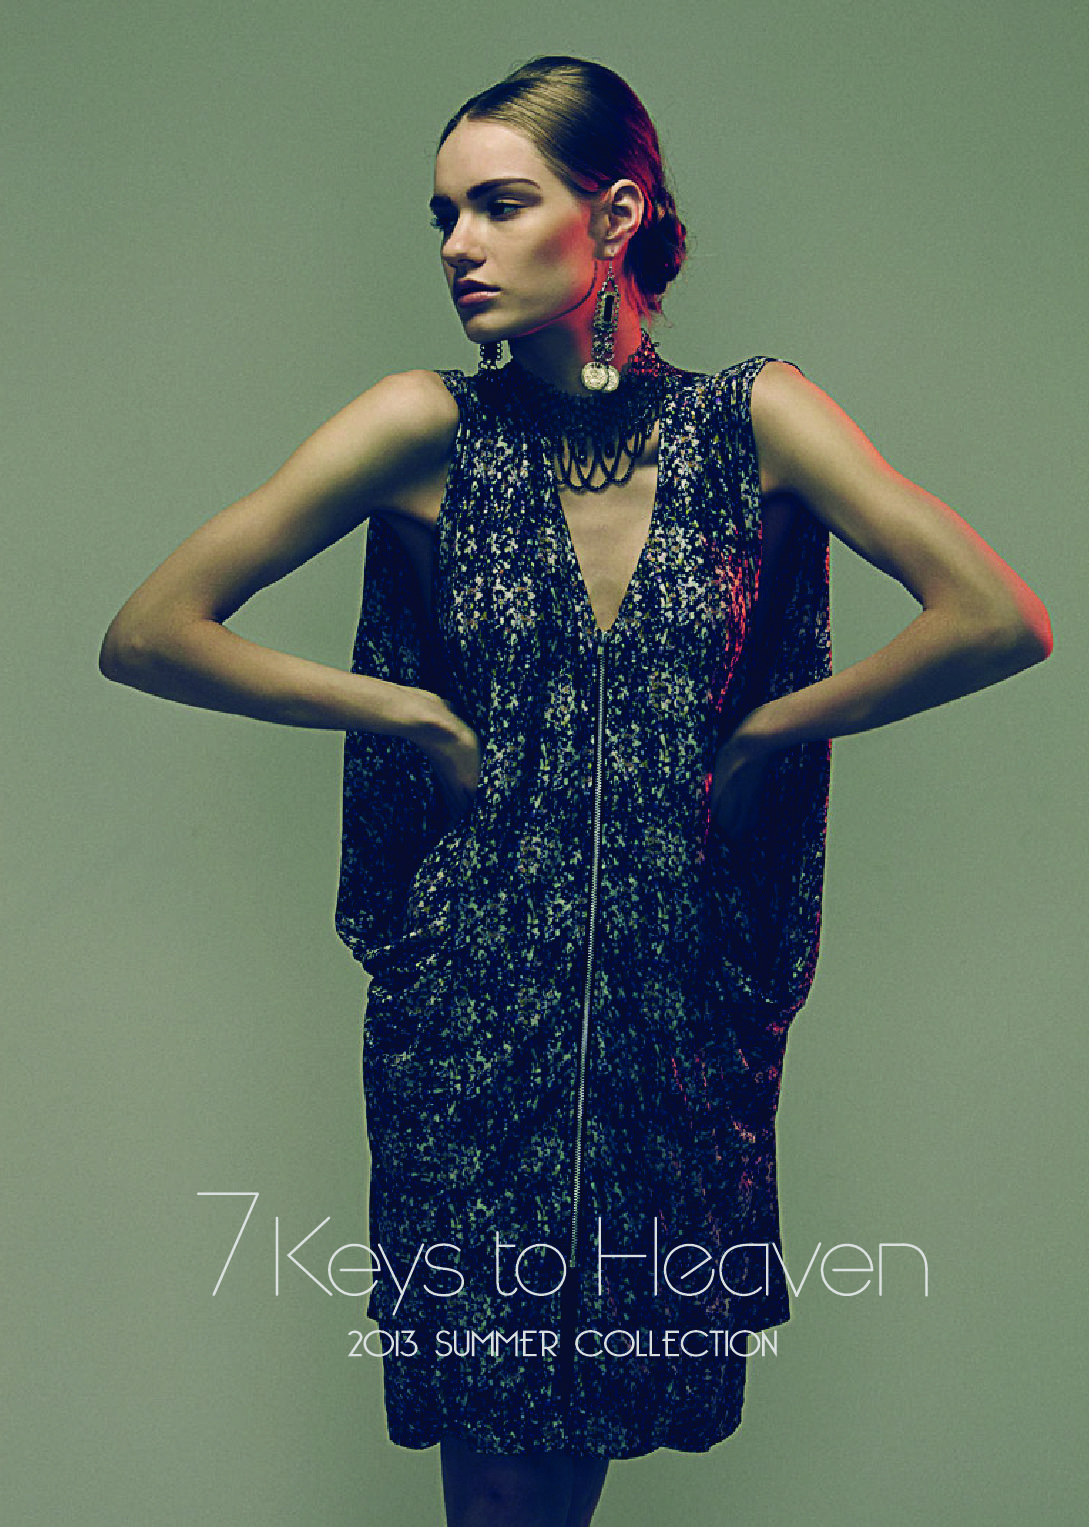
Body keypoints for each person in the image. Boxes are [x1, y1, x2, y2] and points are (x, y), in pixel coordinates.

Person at [99, 53, 1051, 1527]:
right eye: (443, 215)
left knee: (576, 1445)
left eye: (498, 204)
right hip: (471, 1021)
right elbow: (151, 630)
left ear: (614, 214)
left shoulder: (757, 419)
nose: (457, 245)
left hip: (679, 1017)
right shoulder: (423, 426)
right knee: (494, 1465)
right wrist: (398, 706)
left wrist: (775, 730)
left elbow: (996, 614)